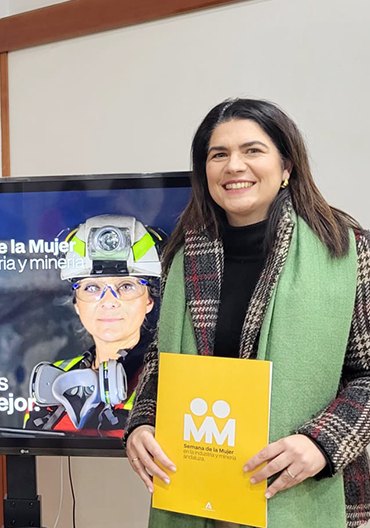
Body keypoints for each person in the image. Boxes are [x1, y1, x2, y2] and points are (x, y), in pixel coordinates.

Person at [124, 98, 370, 528]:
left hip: (302, 490)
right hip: (199, 494)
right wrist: (142, 424)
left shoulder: (346, 251)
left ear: (286, 165)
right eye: (218, 155)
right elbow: (161, 364)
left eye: (252, 150)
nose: (234, 166)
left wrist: (322, 443)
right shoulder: (182, 256)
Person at [25, 215, 162, 437]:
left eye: (126, 286)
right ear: (76, 304)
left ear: (149, 301)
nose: (108, 301)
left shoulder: (169, 382)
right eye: (91, 288)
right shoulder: (51, 382)